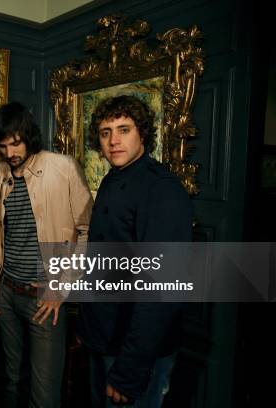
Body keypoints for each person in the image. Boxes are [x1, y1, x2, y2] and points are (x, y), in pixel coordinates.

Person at [78, 95, 193, 407]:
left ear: (142, 133)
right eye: (105, 132)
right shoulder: (113, 179)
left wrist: (129, 371)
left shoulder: (161, 189)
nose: (113, 140)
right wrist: (89, 331)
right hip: (105, 339)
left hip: (137, 352)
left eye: (124, 129)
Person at [0, 101, 93, 408]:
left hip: (45, 297)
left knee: (44, 395)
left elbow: (87, 232)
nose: (9, 153)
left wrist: (62, 287)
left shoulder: (62, 167)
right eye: (2, 146)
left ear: (28, 136)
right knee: (13, 382)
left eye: (15, 144)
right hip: (6, 293)